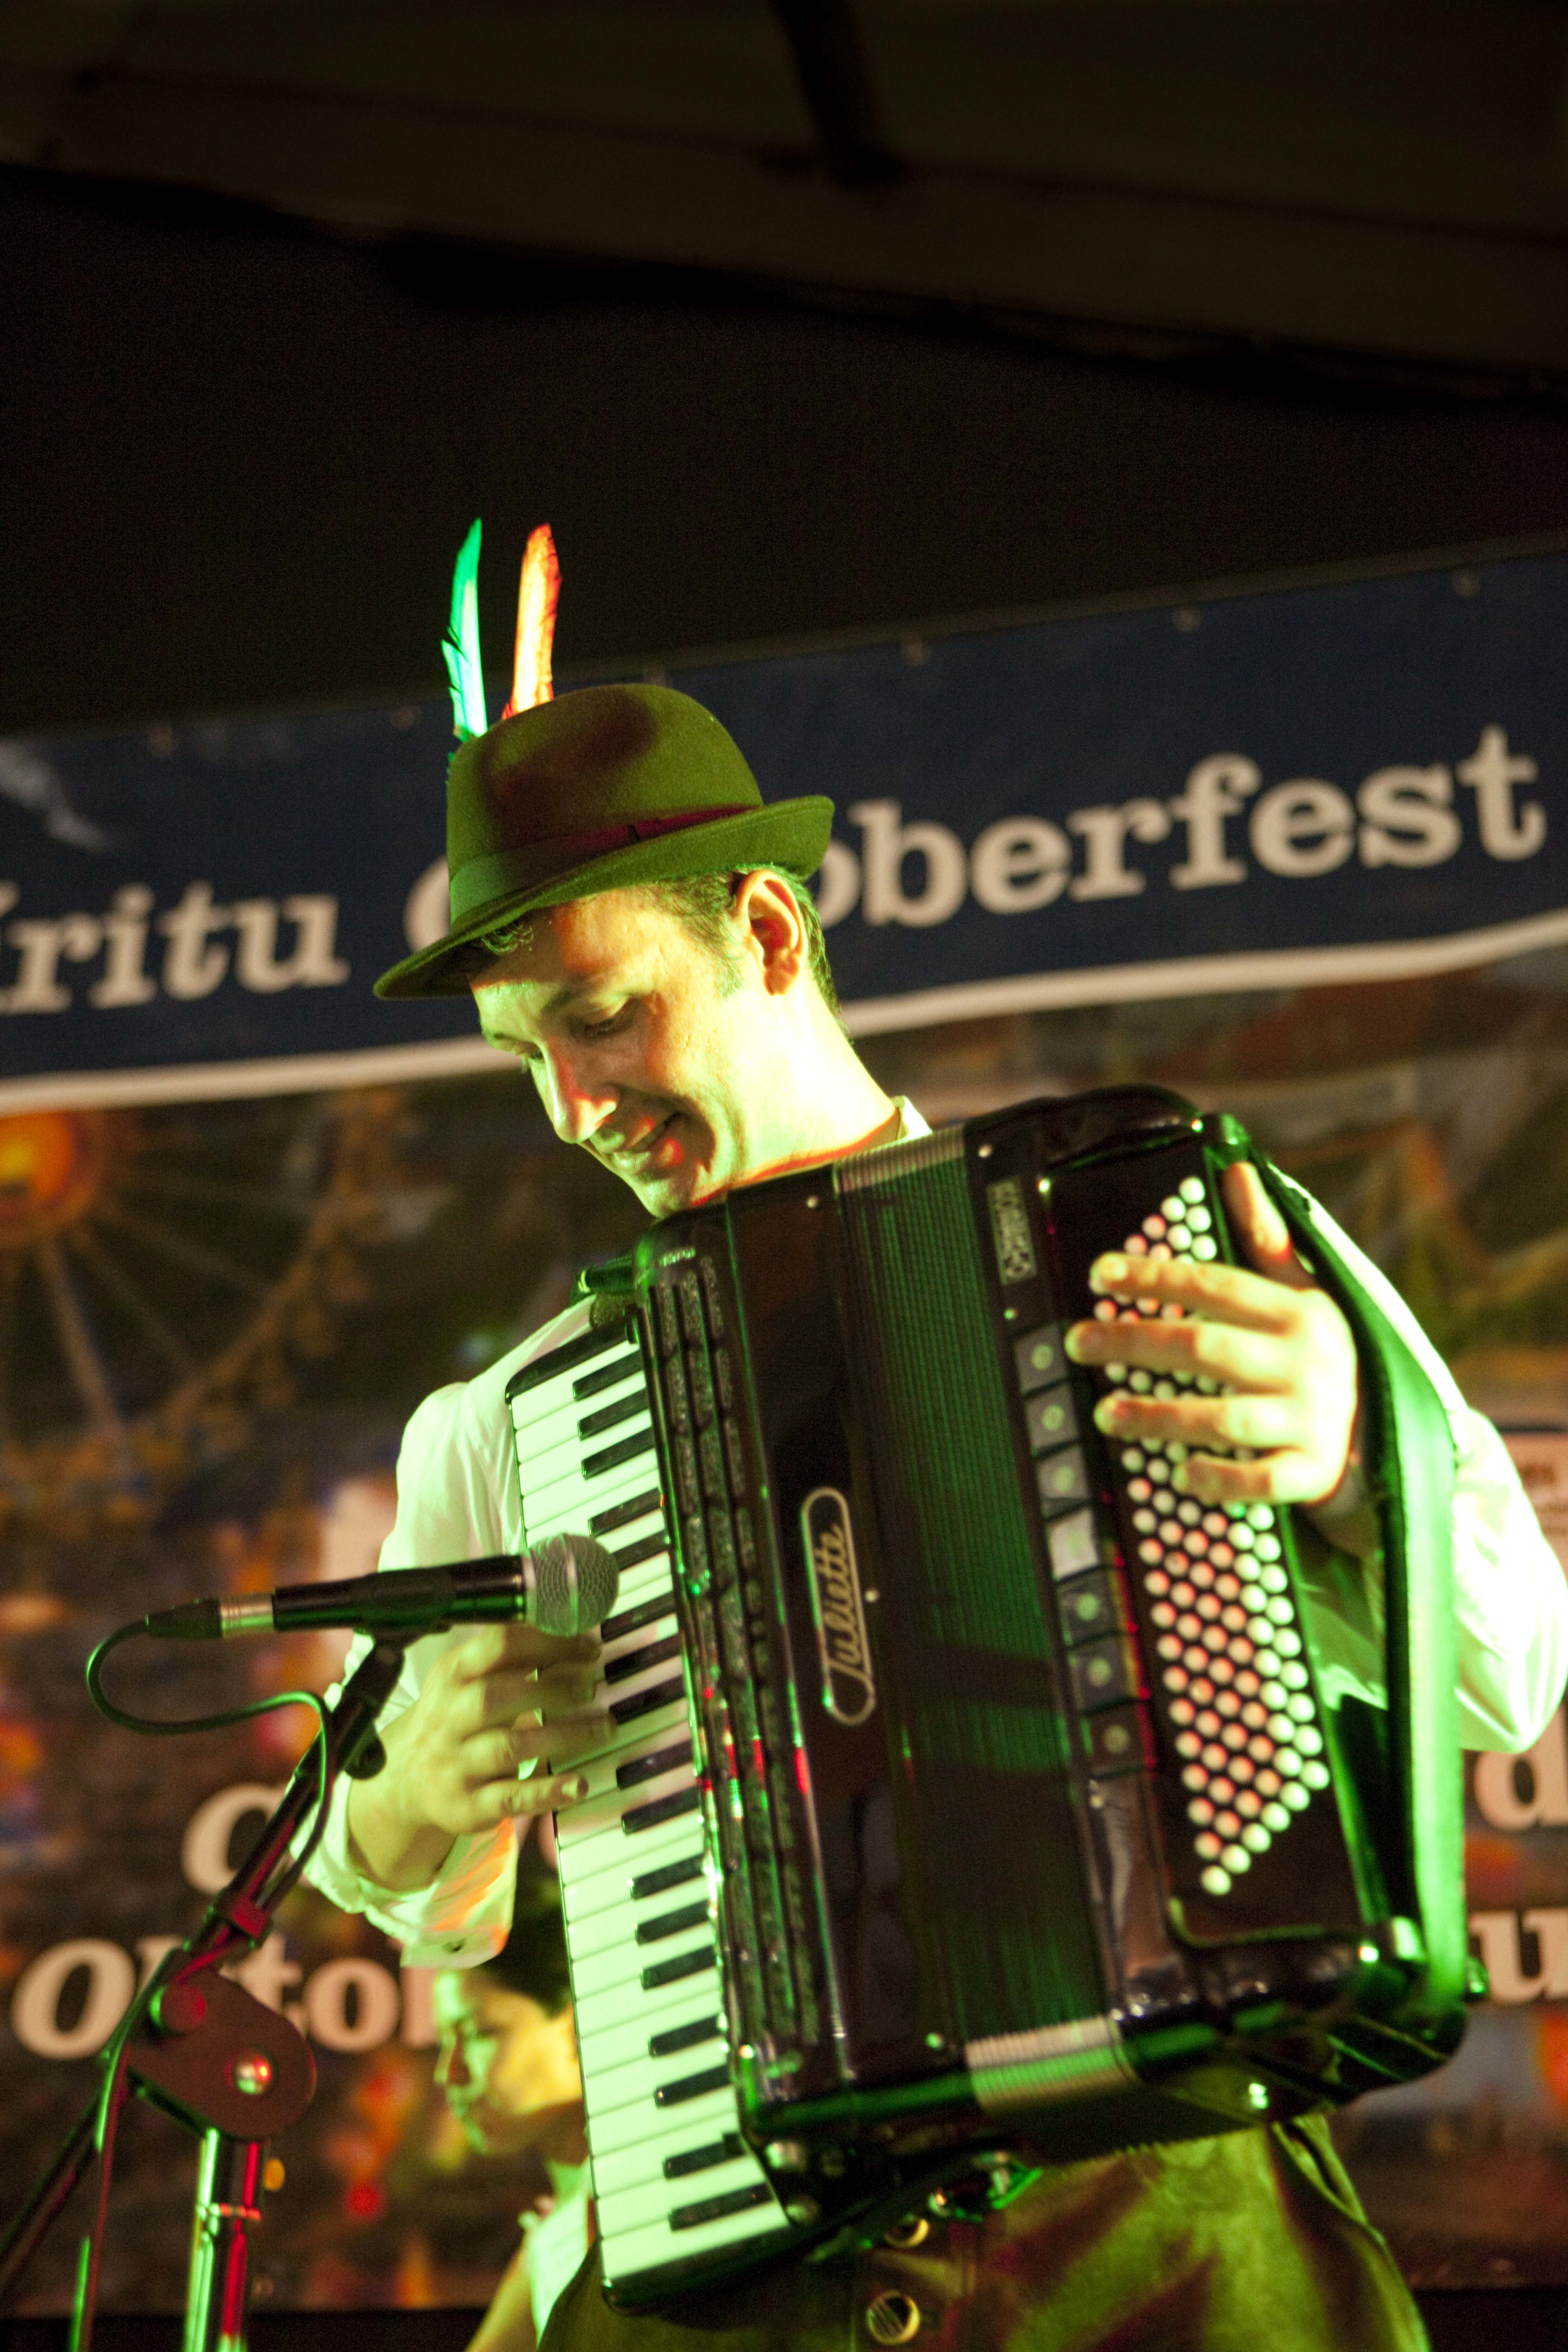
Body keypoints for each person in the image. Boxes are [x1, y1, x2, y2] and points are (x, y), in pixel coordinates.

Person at [307, 548, 1568, 2351]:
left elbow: (1508, 1674)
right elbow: (402, 1883)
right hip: (752, 2261)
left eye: (600, 1016)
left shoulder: (1183, 1225)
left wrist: (1357, 1457)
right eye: (523, 1059)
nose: (571, 1112)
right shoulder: (512, 1427)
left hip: (1169, 2241)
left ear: (764, 930)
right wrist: (408, 1795)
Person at [433, 1871, 592, 2352]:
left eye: (481, 2033)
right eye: (444, 2041)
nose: (449, 2072)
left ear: (575, 2026)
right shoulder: (549, 2239)